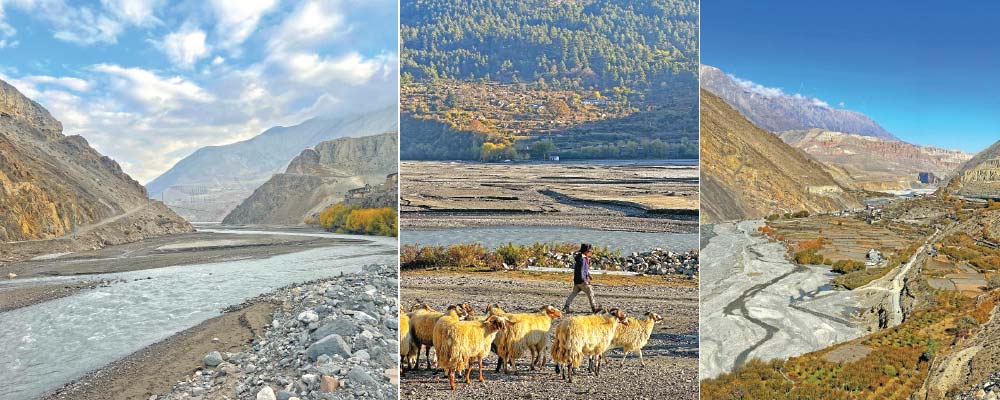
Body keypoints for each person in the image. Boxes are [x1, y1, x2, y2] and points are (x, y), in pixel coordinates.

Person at [564, 243, 599, 313]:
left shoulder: (581, 257)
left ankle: (566, 307)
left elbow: (584, 269)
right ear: (587, 251)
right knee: (590, 292)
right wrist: (584, 280)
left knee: (574, 293)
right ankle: (594, 308)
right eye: (590, 251)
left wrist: (588, 274)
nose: (591, 253)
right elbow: (581, 270)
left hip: (577, 280)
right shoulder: (582, 259)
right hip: (581, 281)